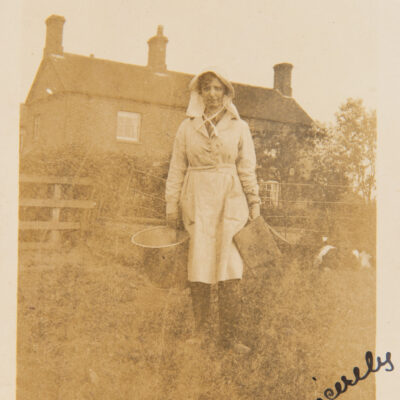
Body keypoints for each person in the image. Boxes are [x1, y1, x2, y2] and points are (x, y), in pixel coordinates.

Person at [165, 67, 260, 354]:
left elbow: (247, 167)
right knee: (199, 263)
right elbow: (177, 167)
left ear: (226, 93)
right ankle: (199, 333)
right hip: (196, 199)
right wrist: (171, 204)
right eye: (207, 88)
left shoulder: (239, 127)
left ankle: (230, 339)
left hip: (230, 200)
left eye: (218, 89)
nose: (213, 94)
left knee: (230, 266)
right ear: (200, 93)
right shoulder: (187, 127)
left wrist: (254, 202)